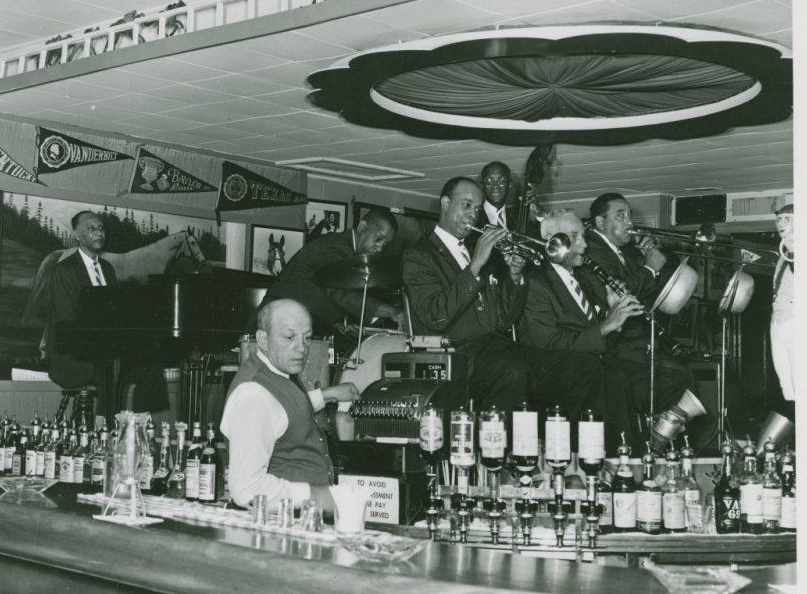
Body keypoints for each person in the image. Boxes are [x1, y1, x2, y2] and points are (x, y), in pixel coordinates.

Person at [522, 209, 686, 448]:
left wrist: (613, 312)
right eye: (575, 236)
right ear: (552, 242)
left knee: (673, 376)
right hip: (558, 372)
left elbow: (602, 338)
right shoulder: (536, 282)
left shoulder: (583, 279)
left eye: (583, 236)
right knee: (615, 379)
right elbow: (550, 343)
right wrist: (607, 325)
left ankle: (653, 443)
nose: (584, 244)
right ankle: (624, 452)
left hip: (595, 367)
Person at [401, 177, 533, 412]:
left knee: (567, 365)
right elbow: (436, 315)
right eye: (467, 205)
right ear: (445, 203)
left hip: (493, 348)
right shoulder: (419, 255)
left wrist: (514, 275)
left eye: (478, 209)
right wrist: (474, 266)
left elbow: (502, 321)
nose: (474, 214)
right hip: (454, 353)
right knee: (513, 369)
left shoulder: (477, 253)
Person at [23, 210, 168, 413]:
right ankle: (106, 426)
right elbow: (67, 320)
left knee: (152, 368)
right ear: (76, 235)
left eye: (101, 228)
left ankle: (138, 424)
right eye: (91, 228)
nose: (99, 233)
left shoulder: (107, 269)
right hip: (71, 356)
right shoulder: (65, 270)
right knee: (110, 367)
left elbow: (114, 315)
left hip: (105, 352)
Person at [221, 299, 359, 511]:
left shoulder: (277, 371)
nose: (302, 348)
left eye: (307, 337)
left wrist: (327, 395)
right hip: (281, 522)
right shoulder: (253, 396)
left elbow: (283, 412)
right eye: (289, 337)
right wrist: (318, 497)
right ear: (263, 339)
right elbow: (247, 490)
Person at [585, 192, 697, 403]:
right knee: (679, 379)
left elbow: (649, 292)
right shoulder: (592, 250)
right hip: (620, 347)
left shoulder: (622, 253)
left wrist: (652, 263)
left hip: (637, 345)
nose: (629, 222)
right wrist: (649, 268)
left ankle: (666, 424)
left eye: (629, 215)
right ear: (600, 222)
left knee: (682, 379)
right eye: (620, 215)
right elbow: (618, 290)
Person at [260, 208, 403, 337]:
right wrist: (390, 311)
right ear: (362, 227)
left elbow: (317, 294)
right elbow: (339, 292)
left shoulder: (346, 248)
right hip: (276, 321)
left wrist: (339, 323)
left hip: (294, 318)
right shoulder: (334, 247)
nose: (380, 248)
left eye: (385, 244)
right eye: (378, 239)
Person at [771, 204, 794, 405]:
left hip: (794, 321)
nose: (781, 223)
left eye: (788, 219)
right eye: (779, 219)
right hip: (778, 322)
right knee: (786, 385)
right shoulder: (783, 254)